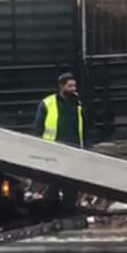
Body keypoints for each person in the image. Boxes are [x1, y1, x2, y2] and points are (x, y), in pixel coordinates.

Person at [33, 72, 84, 216]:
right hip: (53, 149)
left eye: (74, 85)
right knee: (53, 184)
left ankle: (67, 213)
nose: (73, 88)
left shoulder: (77, 105)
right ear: (61, 86)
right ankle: (50, 213)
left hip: (73, 149)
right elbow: (38, 127)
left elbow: (82, 127)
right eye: (70, 86)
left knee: (72, 185)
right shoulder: (47, 103)